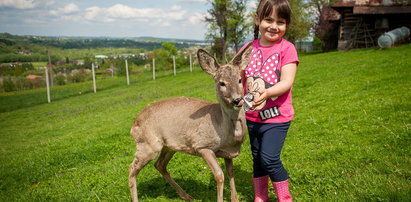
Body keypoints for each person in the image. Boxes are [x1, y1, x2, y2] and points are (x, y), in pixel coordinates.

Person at [239, 0, 299, 201]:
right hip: (252, 117)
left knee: (269, 158)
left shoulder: (287, 48)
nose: (274, 26)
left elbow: (287, 82)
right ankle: (260, 197)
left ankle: (284, 198)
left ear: (286, 25)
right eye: (268, 19)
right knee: (257, 160)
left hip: (277, 118)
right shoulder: (248, 48)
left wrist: (267, 92)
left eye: (280, 22)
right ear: (258, 20)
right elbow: (241, 80)